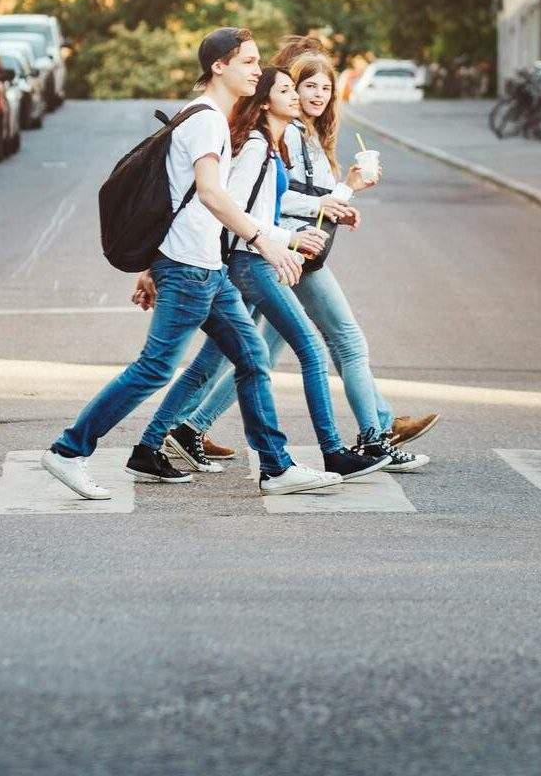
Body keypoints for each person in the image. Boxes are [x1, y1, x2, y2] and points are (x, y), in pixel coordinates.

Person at [40, 28, 340, 501]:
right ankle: (69, 450)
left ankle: (276, 467)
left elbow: (180, 200)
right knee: (155, 368)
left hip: (208, 268)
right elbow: (211, 193)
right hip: (189, 270)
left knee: (252, 357)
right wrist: (266, 239)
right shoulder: (205, 121)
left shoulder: (208, 118)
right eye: (248, 62)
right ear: (219, 66)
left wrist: (151, 265)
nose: (257, 71)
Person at [160, 43, 438, 474]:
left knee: (248, 352)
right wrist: (338, 196)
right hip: (278, 254)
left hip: (279, 252)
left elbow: (293, 197)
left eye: (325, 87)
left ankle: (184, 429)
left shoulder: (298, 134)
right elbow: (269, 199)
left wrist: (340, 199)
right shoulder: (275, 136)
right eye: (304, 86)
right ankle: (368, 438)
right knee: (334, 342)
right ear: (273, 95)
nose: (315, 95)